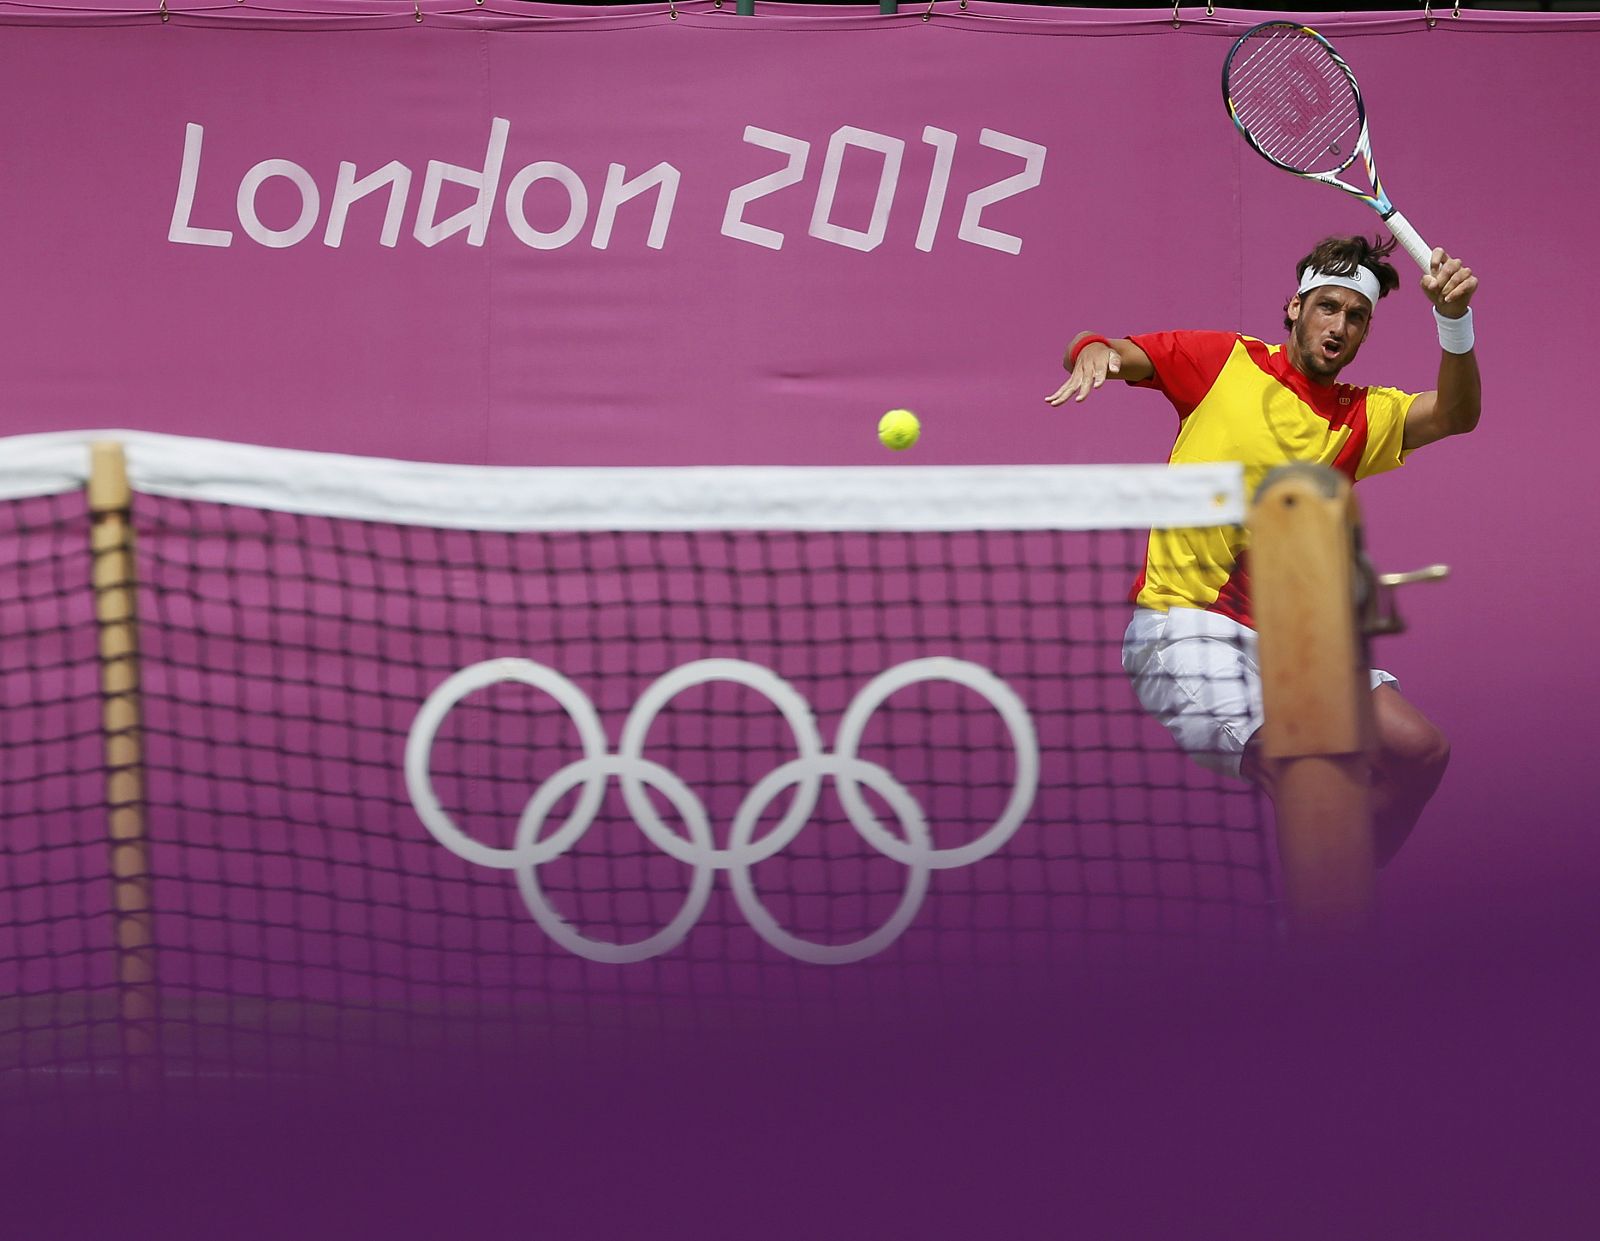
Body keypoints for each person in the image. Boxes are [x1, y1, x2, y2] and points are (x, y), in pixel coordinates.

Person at [1045, 234, 1479, 867]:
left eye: (1356, 317)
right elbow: (1109, 349)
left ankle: (1336, 914)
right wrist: (1091, 354)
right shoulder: (1225, 362)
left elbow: (1457, 415)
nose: (1340, 326)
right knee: (1301, 771)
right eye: (1327, 307)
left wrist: (1454, 318)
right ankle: (1321, 936)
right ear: (1293, 308)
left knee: (1420, 751)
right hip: (1186, 630)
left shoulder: (1363, 416)